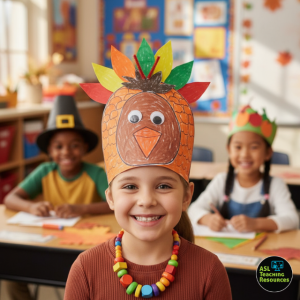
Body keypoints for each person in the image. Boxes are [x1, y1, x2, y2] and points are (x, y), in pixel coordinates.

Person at [64, 41, 232, 299]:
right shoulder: (85, 271)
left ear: (187, 195)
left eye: (163, 186)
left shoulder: (209, 271)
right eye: (130, 186)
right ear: (110, 196)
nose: (146, 200)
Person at [3, 95, 111, 300]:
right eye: (58, 146)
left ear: (85, 147)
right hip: (50, 243)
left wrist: (82, 209)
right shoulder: (45, 171)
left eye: (74, 145)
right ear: (50, 151)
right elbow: (11, 198)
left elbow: (116, 202)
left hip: (83, 246)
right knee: (11, 272)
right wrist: (31, 207)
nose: (66, 152)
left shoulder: (95, 173)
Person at [188, 105, 299, 233]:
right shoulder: (221, 181)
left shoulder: (275, 185)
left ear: (268, 153)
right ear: (229, 150)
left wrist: (255, 223)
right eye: (238, 147)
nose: (245, 154)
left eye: (254, 147)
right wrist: (207, 219)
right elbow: (193, 209)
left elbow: (292, 219)